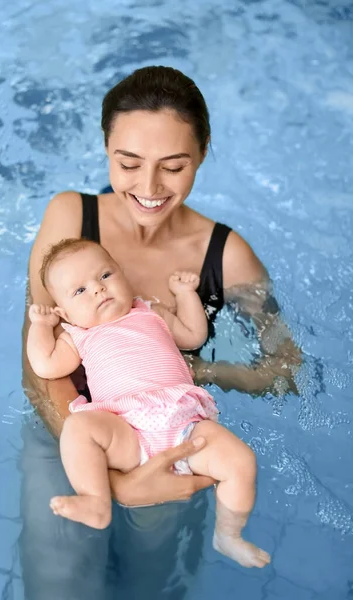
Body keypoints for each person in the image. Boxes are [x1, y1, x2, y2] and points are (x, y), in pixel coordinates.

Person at [21, 65, 300, 596]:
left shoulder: (226, 257)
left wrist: (199, 369)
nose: (148, 189)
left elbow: (286, 369)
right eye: (128, 164)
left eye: (174, 167)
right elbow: (37, 367)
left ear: (203, 152)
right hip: (67, 427)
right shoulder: (70, 219)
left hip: (175, 430)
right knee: (58, 581)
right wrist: (117, 483)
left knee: (151, 581)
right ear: (105, 149)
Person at [27, 238, 271, 568]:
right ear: (64, 313)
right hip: (127, 431)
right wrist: (42, 327)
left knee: (241, 461)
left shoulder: (150, 312)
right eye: (80, 291)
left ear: (123, 275)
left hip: (185, 424)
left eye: (104, 276)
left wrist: (185, 296)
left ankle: (229, 535)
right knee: (79, 426)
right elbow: (45, 365)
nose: (98, 290)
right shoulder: (78, 335)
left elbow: (193, 335)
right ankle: (96, 502)